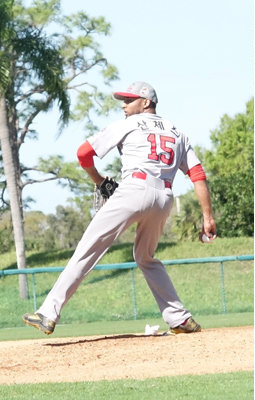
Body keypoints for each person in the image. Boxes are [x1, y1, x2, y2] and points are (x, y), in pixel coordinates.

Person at [23, 81, 216, 335]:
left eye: (129, 100)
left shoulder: (128, 124)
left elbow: (83, 153)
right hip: (164, 198)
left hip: (134, 190)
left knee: (87, 249)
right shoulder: (178, 133)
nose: (123, 105)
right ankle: (180, 319)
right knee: (145, 258)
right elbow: (197, 174)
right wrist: (207, 217)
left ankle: (48, 313)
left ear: (146, 102)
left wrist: (99, 180)